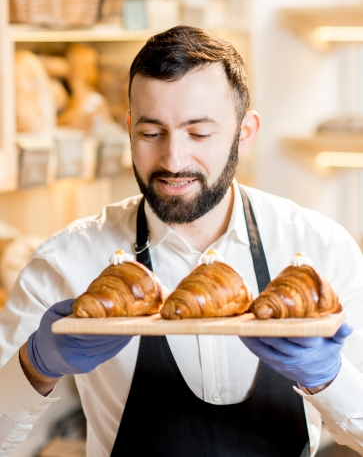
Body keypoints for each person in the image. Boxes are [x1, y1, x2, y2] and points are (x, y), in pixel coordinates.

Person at [0, 26, 363, 457]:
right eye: (152, 134)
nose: (173, 160)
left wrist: (329, 379)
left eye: (199, 134)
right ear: (129, 127)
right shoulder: (66, 262)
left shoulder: (319, 249)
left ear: (245, 133)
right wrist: (33, 368)